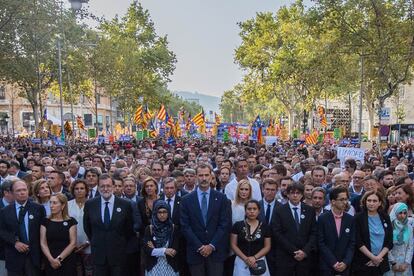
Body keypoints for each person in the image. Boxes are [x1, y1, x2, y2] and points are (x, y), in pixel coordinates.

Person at [180, 164, 231, 276]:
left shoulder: (221, 198)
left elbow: (224, 224)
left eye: (206, 175)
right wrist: (200, 246)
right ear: (196, 177)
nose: (204, 178)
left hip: (216, 252)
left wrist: (211, 245)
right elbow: (185, 226)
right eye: (201, 175)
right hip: (195, 252)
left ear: (211, 176)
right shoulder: (186, 200)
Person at [83, 174, 134, 276]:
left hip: (118, 254)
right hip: (98, 254)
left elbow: (129, 229)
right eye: (102, 186)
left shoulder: (125, 204)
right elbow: (87, 227)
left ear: (113, 187)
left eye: (108, 186)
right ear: (98, 187)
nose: (105, 189)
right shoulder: (90, 204)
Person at [0, 179, 46, 276]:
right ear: (12, 193)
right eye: (18, 190)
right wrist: (15, 242)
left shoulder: (38, 208)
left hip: (34, 257)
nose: (22, 193)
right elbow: (2, 231)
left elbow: (43, 232)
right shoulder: (5, 211)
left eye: (24, 190)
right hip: (14, 257)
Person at [272, 182, 317, 275]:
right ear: (287, 194)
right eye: (292, 193)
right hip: (285, 256)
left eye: (298, 193)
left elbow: (314, 232)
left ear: (302, 195)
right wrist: (294, 251)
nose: (295, 195)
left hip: (305, 257)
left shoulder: (310, 210)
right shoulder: (279, 210)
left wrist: (305, 251)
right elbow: (277, 233)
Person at [353, 190, 393, 276]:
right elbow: (358, 241)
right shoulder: (358, 218)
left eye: (374, 201)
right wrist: (373, 258)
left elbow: (389, 241)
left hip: (380, 262)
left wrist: (378, 258)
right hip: (364, 262)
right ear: (365, 202)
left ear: (380, 203)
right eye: (369, 200)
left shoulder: (385, 217)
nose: (371, 203)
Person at [318, 186, 355, 276]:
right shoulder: (323, 218)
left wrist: (345, 262)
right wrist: (334, 262)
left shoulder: (350, 219)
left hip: (345, 266)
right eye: (341, 199)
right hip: (327, 265)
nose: (345, 202)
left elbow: (352, 243)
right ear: (333, 201)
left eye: (346, 199)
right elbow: (321, 243)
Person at [230, 200, 271, 276]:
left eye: (254, 209)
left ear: (259, 211)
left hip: (259, 261)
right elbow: (233, 244)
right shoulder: (237, 225)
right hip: (241, 261)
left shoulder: (265, 227)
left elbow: (267, 246)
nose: (252, 211)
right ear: (245, 211)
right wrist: (246, 259)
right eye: (249, 209)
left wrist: (254, 258)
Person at [40, 193, 77, 276]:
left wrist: (59, 259)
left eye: (55, 203)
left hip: (67, 259)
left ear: (63, 205)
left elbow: (73, 243)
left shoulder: (71, 221)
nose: (51, 206)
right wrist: (51, 259)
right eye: (50, 202)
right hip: (50, 259)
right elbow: (43, 243)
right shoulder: (45, 221)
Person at [143, 201, 180, 275]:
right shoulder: (150, 229)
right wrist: (165, 250)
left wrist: (156, 250)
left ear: (168, 213)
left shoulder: (173, 228)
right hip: (153, 266)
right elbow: (148, 250)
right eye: (159, 212)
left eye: (165, 212)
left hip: (170, 267)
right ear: (155, 213)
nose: (162, 215)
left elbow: (174, 251)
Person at [67, 180, 92, 276]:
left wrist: (88, 242)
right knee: (77, 271)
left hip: (89, 245)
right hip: (72, 246)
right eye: (76, 189)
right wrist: (72, 244)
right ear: (73, 191)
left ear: (86, 190)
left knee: (89, 271)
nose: (79, 191)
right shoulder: (68, 205)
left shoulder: (92, 204)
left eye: (82, 188)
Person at [385, 203, 413, 276]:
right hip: (390, 262)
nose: (403, 215)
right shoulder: (389, 227)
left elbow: (410, 246)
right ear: (395, 213)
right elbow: (386, 246)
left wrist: (406, 263)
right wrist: (393, 262)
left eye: (405, 213)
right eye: (400, 213)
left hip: (404, 263)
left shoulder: (409, 227)